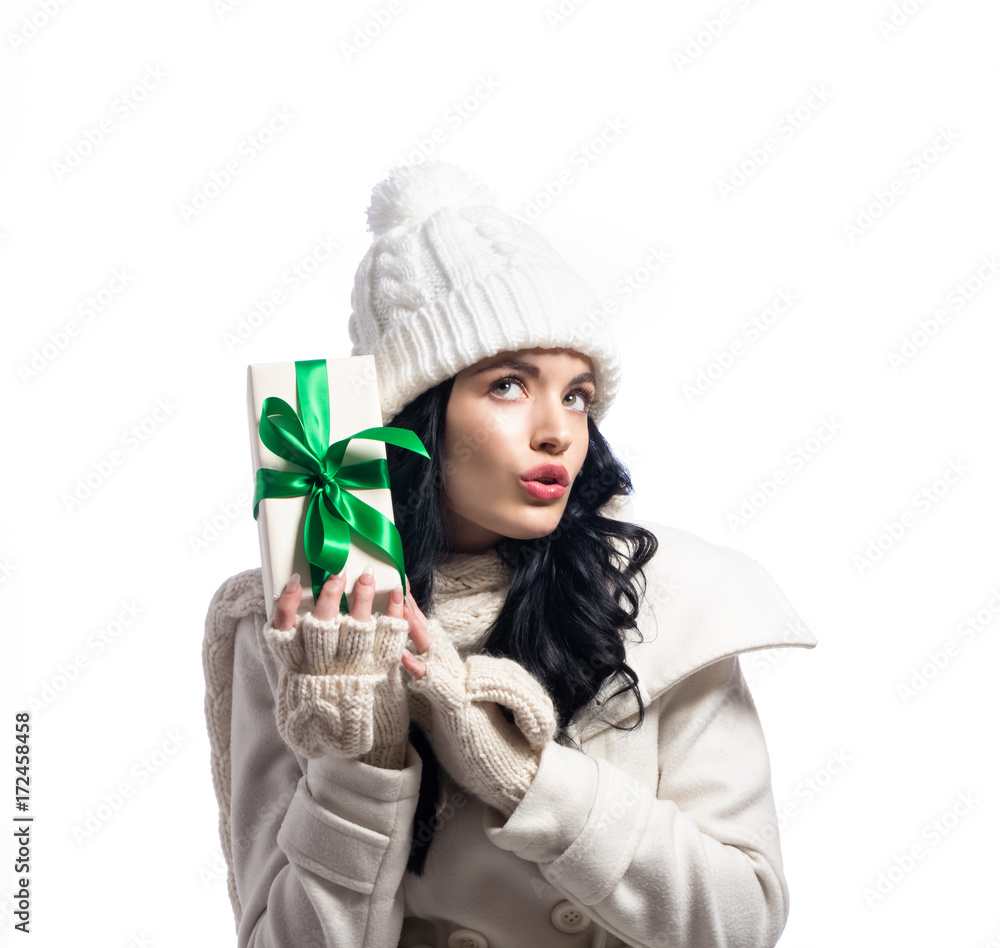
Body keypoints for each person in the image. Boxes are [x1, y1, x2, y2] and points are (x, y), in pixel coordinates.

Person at [203, 160, 817, 948]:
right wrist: (362, 762)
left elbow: (742, 920)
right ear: (419, 416)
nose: (558, 429)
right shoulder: (301, 622)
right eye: (506, 385)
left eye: (577, 394)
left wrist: (528, 778)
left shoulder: (665, 597)